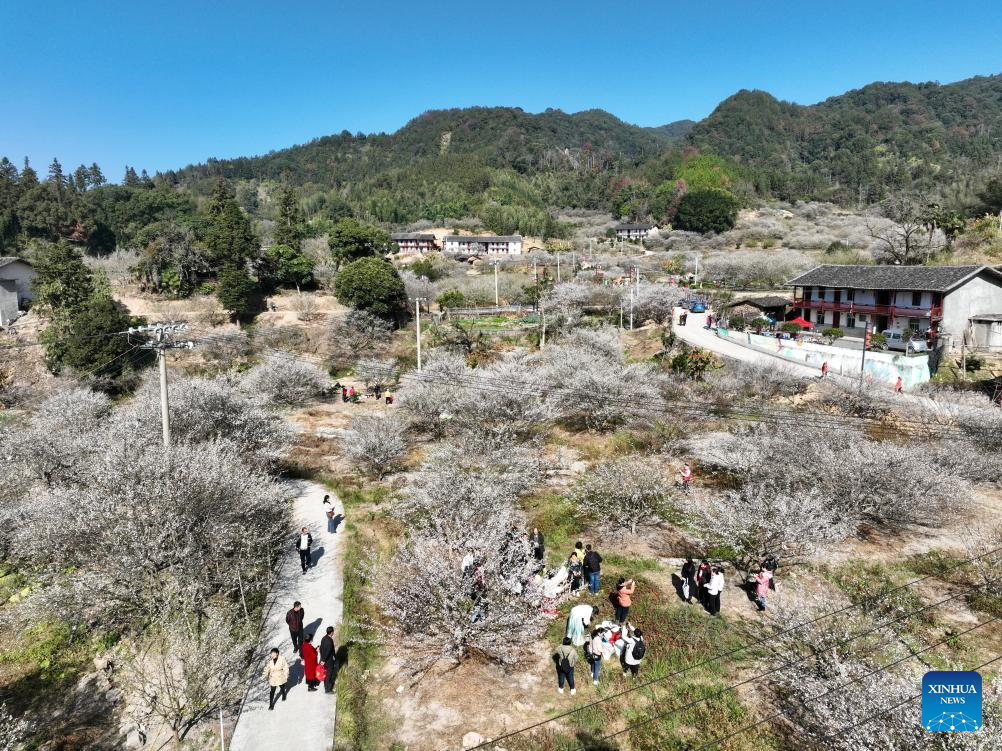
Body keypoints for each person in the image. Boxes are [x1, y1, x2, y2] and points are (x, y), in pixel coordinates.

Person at [319, 626, 337, 693]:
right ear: (331, 632)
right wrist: (324, 660)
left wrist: (322, 659)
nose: (333, 633)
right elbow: (328, 652)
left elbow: (321, 648)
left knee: (325, 673)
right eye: (333, 632)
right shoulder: (329, 641)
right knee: (329, 674)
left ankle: (326, 686)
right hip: (328, 661)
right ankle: (328, 689)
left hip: (323, 659)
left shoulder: (324, 638)